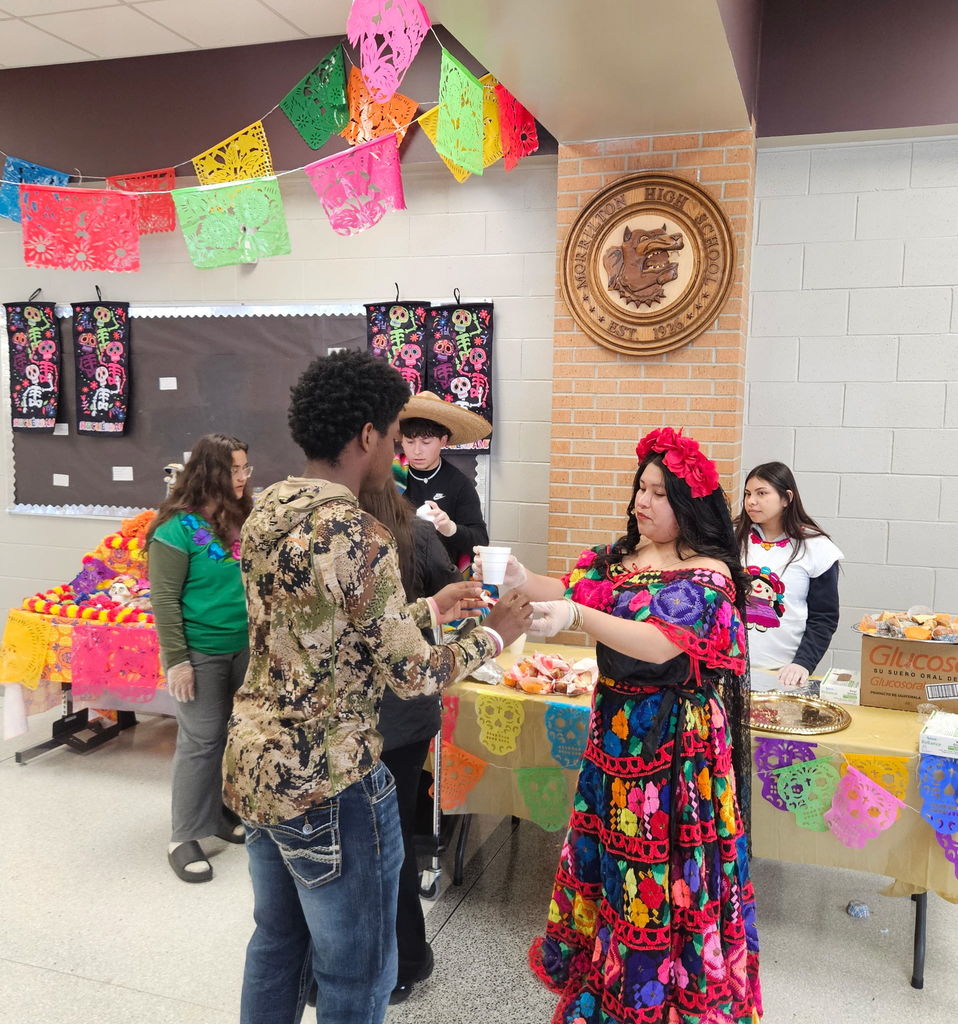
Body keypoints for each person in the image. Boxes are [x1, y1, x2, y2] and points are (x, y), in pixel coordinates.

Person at [222, 351, 531, 1024]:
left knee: (277, 944)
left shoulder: (270, 507)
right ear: (368, 436)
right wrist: (493, 634)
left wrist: (428, 610)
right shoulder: (356, 531)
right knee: (357, 971)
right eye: (394, 433)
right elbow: (414, 675)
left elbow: (315, 630)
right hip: (331, 782)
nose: (397, 447)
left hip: (257, 764)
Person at [479, 427, 762, 1024]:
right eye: (641, 488)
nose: (643, 501)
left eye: (659, 493)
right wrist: (521, 578)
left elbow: (661, 644)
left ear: (687, 504)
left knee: (664, 861)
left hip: (674, 738)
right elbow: (568, 587)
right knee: (615, 849)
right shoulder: (624, 557)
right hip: (616, 729)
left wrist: (579, 615)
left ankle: (661, 985)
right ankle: (611, 964)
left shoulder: (707, 574)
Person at [359, 479, 460, 1005]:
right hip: (406, 707)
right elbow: (455, 599)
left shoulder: (330, 538)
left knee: (362, 846)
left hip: (354, 716)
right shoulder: (416, 533)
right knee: (390, 840)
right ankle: (406, 958)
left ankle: (388, 958)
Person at [147, 433, 253, 883]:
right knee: (202, 739)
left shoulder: (240, 519)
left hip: (244, 646)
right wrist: (178, 661)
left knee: (235, 734)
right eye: (235, 470)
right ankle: (184, 835)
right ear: (211, 473)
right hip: (200, 652)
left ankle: (220, 815)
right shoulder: (173, 529)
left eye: (246, 468)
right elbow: (165, 601)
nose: (245, 477)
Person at [736, 462, 843, 688]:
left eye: (761, 493)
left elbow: (823, 617)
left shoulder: (817, 547)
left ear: (786, 498)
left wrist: (803, 663)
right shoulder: (732, 539)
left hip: (784, 673)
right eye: (747, 494)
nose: (751, 501)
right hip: (730, 667)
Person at [399, 390, 491, 568]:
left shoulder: (458, 484)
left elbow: (480, 540)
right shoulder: (389, 477)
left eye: (426, 443)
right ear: (401, 440)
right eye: (410, 442)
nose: (417, 451)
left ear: (443, 441)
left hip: (444, 575)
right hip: (399, 572)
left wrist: (450, 528)